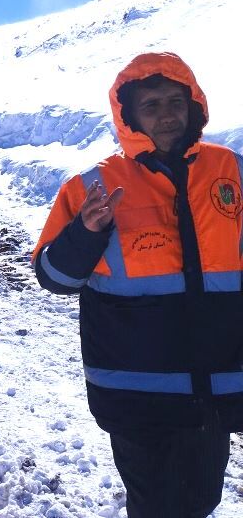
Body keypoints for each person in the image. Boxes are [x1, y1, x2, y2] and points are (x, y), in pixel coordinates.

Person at [32, 52, 243, 518]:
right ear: (128, 116)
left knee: (202, 498)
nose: (167, 114)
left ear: (194, 106)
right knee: (157, 506)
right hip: (138, 391)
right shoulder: (93, 186)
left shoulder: (231, 171)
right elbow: (53, 276)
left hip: (217, 382)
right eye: (150, 105)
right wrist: (85, 234)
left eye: (175, 101)